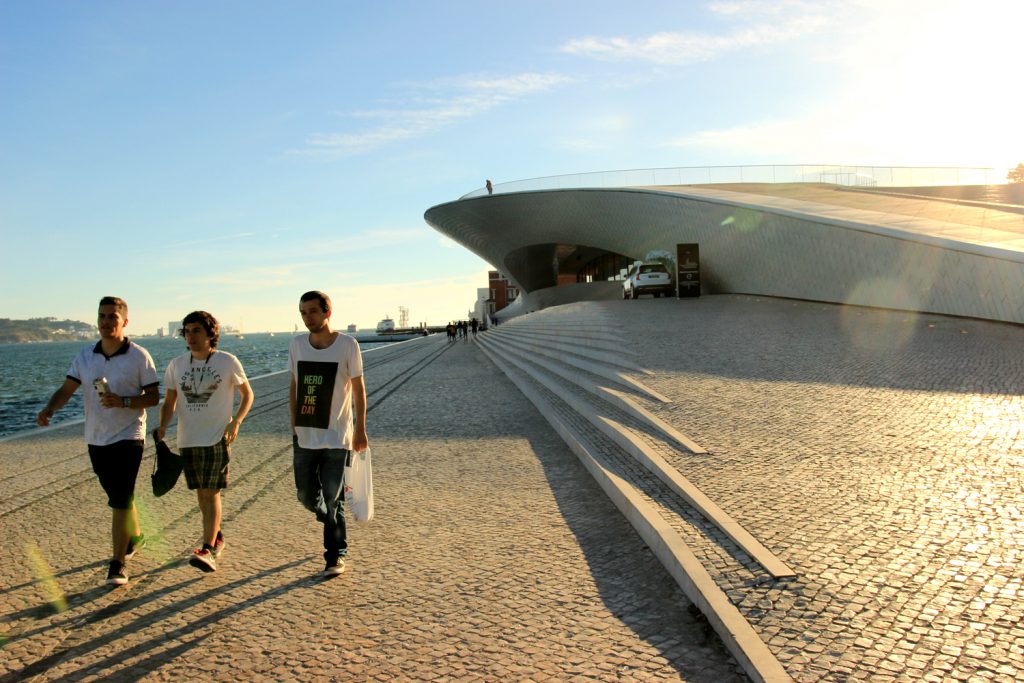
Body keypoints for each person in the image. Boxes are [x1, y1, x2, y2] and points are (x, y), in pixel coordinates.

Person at [36, 296, 160, 586]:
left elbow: (153, 397)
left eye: (112, 317)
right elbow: (67, 389)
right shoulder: (84, 356)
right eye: (102, 316)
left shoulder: (139, 355)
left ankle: (117, 563)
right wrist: (50, 409)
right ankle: (136, 536)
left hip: (129, 436)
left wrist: (124, 401)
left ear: (124, 321)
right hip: (96, 438)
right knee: (119, 496)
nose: (106, 322)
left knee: (120, 497)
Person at [157, 311, 253, 573]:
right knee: (202, 496)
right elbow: (169, 402)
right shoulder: (177, 365)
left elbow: (248, 395)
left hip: (216, 438)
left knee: (211, 494)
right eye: (187, 331)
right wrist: (163, 425)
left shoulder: (227, 362)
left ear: (211, 333)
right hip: (188, 439)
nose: (191, 336)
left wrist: (237, 422)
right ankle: (217, 537)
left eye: (196, 330)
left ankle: (207, 549)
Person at [289, 291, 369, 577]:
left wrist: (360, 428)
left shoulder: (348, 345)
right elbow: (295, 386)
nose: (307, 317)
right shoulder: (297, 345)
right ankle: (326, 516)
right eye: (303, 313)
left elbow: (358, 389)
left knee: (333, 498)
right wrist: (294, 424)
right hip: (305, 435)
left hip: (337, 436)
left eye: (312, 311)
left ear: (327, 312)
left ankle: (335, 555)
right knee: (305, 495)